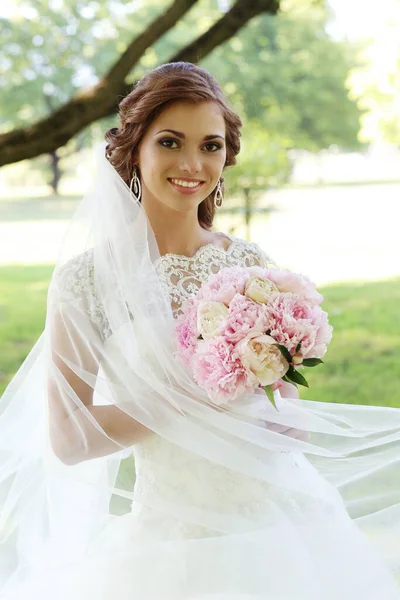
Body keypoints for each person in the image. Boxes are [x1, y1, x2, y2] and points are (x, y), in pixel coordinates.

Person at [0, 62, 399, 600]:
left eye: (210, 146)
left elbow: (290, 421)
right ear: (133, 149)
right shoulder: (86, 283)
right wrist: (194, 396)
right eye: (171, 142)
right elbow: (70, 439)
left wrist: (275, 384)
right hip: (171, 543)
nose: (192, 164)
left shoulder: (252, 266)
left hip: (283, 527)